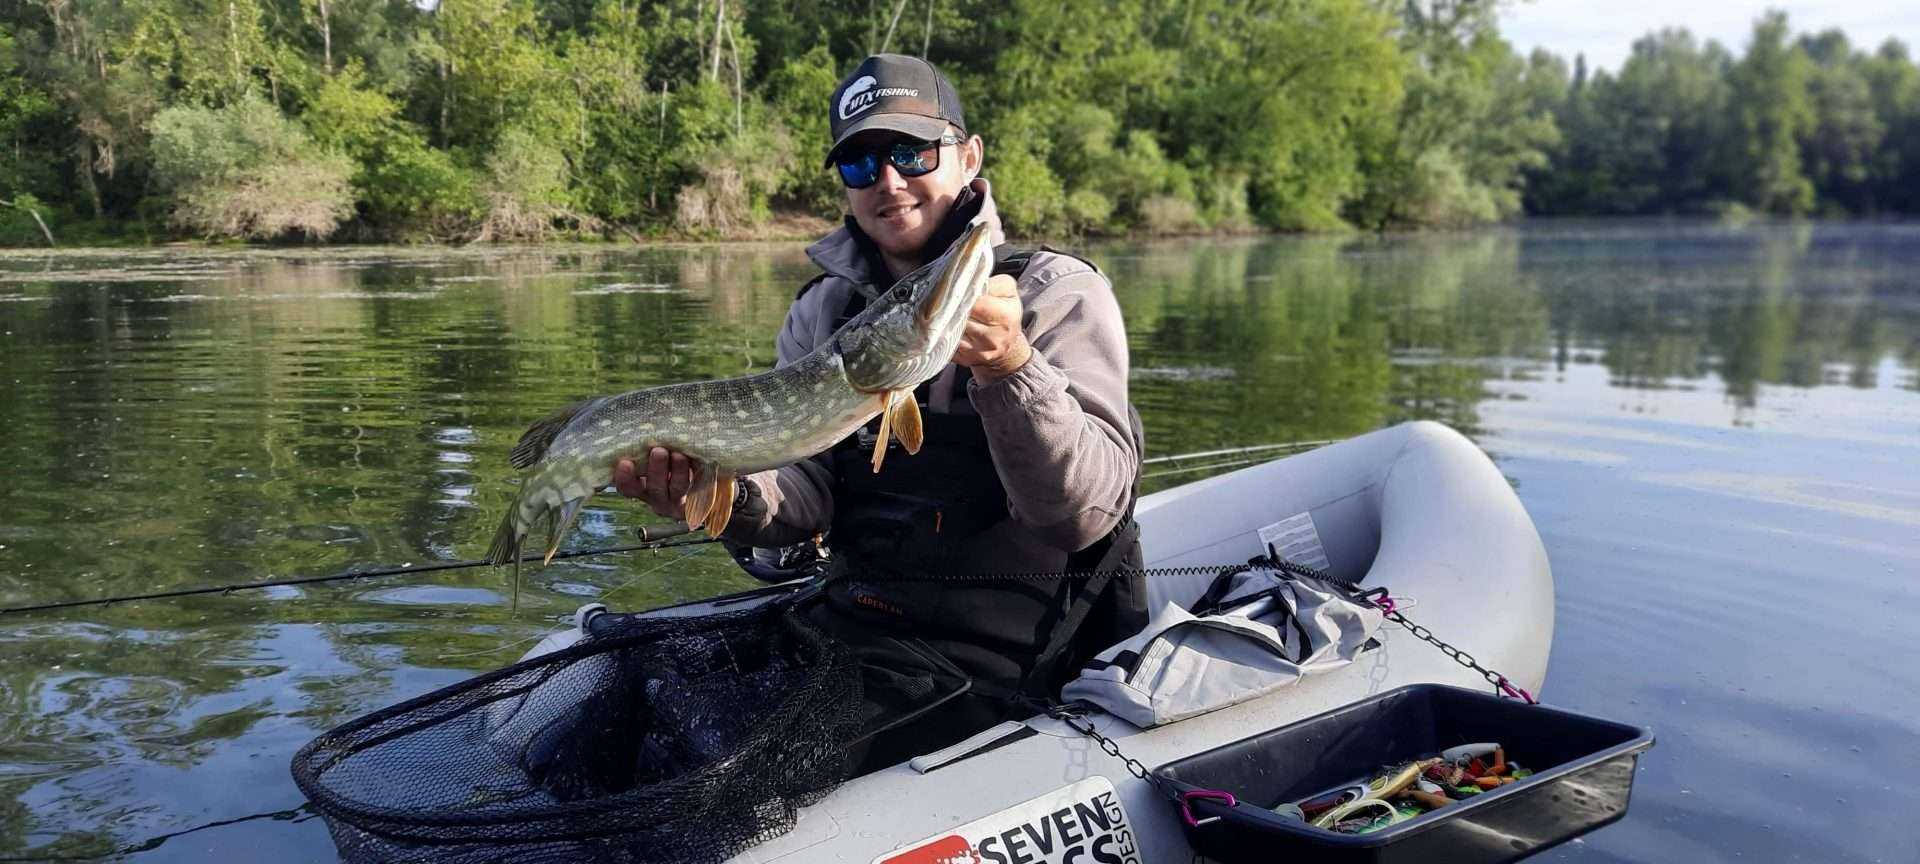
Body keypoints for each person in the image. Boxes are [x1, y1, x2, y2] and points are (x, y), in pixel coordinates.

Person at [611, 54, 1145, 766]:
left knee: (737, 766)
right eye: (861, 164)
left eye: (910, 152)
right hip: (861, 625)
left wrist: (1010, 366)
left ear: (968, 155)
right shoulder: (822, 311)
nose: (888, 182)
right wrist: (719, 492)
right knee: (640, 733)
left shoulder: (1056, 292)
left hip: (1014, 650)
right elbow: (804, 487)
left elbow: (1078, 515)